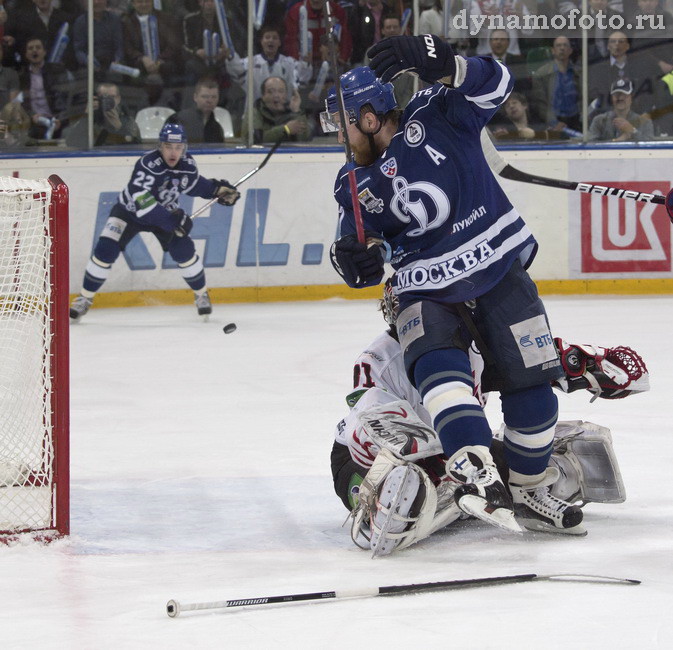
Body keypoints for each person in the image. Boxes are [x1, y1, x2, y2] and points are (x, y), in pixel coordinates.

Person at [323, 36, 584, 537]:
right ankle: (471, 468)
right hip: (424, 284)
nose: (340, 137)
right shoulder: (352, 183)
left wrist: (441, 60)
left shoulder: (436, 112)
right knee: (440, 369)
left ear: (370, 117)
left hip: (495, 262)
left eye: (343, 124)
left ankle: (529, 489)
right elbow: (358, 256)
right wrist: (354, 260)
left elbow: (498, 84)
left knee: (536, 396)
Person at [332, 279, 649, 555]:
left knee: (544, 472)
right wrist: (435, 467)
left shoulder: (469, 347)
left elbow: (527, 365)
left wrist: (587, 366)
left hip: (459, 453)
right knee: (410, 492)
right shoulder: (378, 360)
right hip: (365, 460)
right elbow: (367, 427)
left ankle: (457, 496)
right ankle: (380, 508)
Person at [69, 123, 241, 321]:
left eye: (178, 147)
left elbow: (194, 185)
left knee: (183, 251)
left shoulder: (188, 165)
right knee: (105, 250)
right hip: (129, 212)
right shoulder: (147, 164)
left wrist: (217, 190)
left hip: (165, 215)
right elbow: (142, 200)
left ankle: (201, 294)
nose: (173, 152)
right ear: (160, 146)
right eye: (168, 146)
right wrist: (172, 221)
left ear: (184, 147)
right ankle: (84, 298)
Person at [225, 24, 311, 103]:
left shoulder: (290, 63)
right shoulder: (250, 62)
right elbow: (237, 72)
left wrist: (305, 64)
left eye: (275, 38)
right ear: (261, 41)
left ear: (279, 43)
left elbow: (302, 81)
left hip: (283, 113)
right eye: (267, 37)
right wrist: (230, 57)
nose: (271, 40)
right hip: (256, 113)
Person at [18, 36, 69, 140]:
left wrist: (60, 119)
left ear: (44, 52)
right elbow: (21, 102)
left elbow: (64, 99)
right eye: (30, 48)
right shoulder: (22, 77)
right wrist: (31, 116)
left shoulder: (56, 72)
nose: (34, 50)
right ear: (26, 54)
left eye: (38, 47)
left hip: (55, 120)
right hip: (33, 122)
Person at [64, 82, 140, 147]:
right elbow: (71, 143)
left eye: (112, 97)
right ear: (97, 98)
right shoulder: (91, 120)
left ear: (118, 99)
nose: (107, 100)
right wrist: (87, 115)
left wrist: (119, 127)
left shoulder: (127, 120)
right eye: (103, 97)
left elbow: (135, 146)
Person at [530, 36, 581, 131]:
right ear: (553, 50)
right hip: (553, 123)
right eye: (558, 46)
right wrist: (553, 123)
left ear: (570, 50)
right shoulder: (541, 74)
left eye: (565, 45)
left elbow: (583, 99)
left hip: (576, 121)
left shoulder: (579, 73)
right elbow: (541, 104)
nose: (562, 48)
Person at [241, 75, 311, 144]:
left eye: (281, 91)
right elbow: (253, 139)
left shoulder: (291, 112)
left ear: (286, 95)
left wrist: (296, 111)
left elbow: (304, 140)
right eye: (270, 91)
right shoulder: (254, 112)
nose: (276, 95)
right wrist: (285, 129)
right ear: (263, 95)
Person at [589, 77, 655, 140]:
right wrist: (617, 141)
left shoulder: (645, 122)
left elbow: (651, 148)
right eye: (617, 95)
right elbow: (591, 145)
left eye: (624, 95)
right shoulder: (599, 121)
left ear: (631, 97)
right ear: (612, 97)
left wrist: (632, 131)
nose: (620, 98)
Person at [490, 92, 573, 141]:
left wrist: (535, 135)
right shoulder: (504, 131)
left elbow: (564, 137)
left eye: (514, 102)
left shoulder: (540, 126)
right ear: (506, 113)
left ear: (525, 106)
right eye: (507, 106)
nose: (511, 106)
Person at [165, 77, 224, 144]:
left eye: (214, 97)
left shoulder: (217, 128)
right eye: (205, 96)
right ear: (195, 97)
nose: (209, 100)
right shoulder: (177, 120)